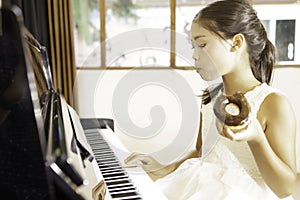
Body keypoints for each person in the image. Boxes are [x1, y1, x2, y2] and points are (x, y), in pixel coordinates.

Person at [124, 0, 297, 199]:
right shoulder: (212, 98)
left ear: (236, 43)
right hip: (200, 188)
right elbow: (201, 152)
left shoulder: (273, 103)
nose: (195, 56)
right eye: (193, 47)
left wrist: (256, 138)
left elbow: (285, 188)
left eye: (202, 44)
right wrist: (165, 168)